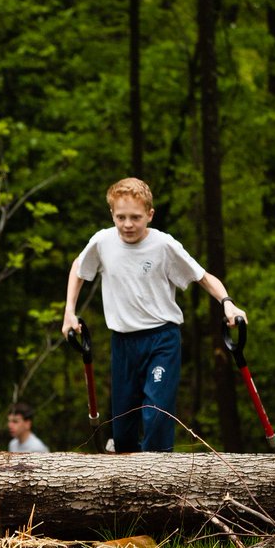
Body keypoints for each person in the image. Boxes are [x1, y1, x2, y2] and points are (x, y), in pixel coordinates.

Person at [62, 177, 248, 453]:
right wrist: (69, 311)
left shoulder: (163, 245)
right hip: (123, 342)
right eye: (121, 217)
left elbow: (203, 277)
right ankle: (126, 472)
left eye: (135, 217)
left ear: (150, 214)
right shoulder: (102, 242)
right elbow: (79, 267)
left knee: (156, 414)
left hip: (161, 339)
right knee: (123, 430)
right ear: (112, 214)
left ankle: (159, 471)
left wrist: (228, 303)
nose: (127, 224)